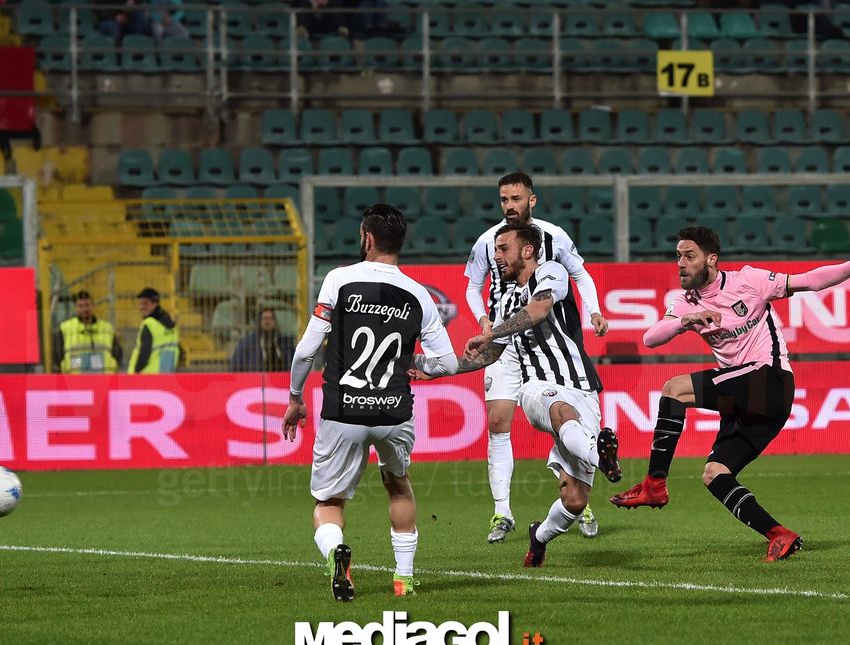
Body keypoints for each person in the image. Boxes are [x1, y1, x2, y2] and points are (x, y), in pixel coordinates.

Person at [609, 227, 850, 562]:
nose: (680, 264)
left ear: (711, 259)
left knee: (674, 389)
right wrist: (688, 319)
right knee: (715, 474)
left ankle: (655, 484)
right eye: (677, 257)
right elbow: (651, 339)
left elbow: (811, 281)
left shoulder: (749, 281)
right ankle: (780, 535)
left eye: (689, 256)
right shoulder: (685, 302)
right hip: (749, 401)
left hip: (769, 380)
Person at [417, 222, 622, 569]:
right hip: (537, 388)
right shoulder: (507, 300)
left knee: (574, 500)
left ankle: (538, 537)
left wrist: (492, 332)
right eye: (495, 250)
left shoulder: (552, 272)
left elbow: (539, 310)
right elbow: (491, 353)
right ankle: (601, 455)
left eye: (503, 249)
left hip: (583, 388)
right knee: (559, 408)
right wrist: (433, 367)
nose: (496, 257)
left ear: (527, 250)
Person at [282, 204, 458, 602]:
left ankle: (336, 552)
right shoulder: (419, 294)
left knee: (329, 501)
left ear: (367, 238)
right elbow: (447, 362)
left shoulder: (340, 280)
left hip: (344, 409)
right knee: (398, 486)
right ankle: (404, 580)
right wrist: (418, 367)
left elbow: (306, 350)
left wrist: (295, 398)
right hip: (394, 410)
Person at [464, 171, 609, 544]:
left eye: (516, 199)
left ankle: (581, 498)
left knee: (562, 409)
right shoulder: (488, 241)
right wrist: (484, 320)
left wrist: (593, 310)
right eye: (503, 200)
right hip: (503, 336)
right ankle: (502, 512)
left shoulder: (553, 236)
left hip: (542, 333)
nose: (509, 206)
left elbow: (581, 274)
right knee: (498, 421)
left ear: (532, 200)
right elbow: (472, 286)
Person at [51, 290, 123, 374]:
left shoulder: (106, 328)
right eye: (80, 306)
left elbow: (118, 354)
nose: (84, 309)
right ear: (76, 307)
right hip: (75, 380)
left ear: (93, 305)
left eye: (87, 305)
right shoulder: (65, 328)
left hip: (103, 378)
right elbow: (57, 356)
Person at [128, 287, 180, 373]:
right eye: (140, 304)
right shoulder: (171, 325)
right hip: (166, 376)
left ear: (155, 304)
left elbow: (145, 353)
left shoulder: (149, 324)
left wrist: (136, 371)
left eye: (145, 304)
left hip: (147, 377)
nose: (141, 307)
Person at [230, 307, 295, 372]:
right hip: (255, 379)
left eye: (271, 318)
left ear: (275, 322)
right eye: (265, 318)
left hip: (282, 379)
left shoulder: (286, 343)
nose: (268, 321)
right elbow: (235, 366)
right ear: (259, 321)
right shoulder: (247, 343)